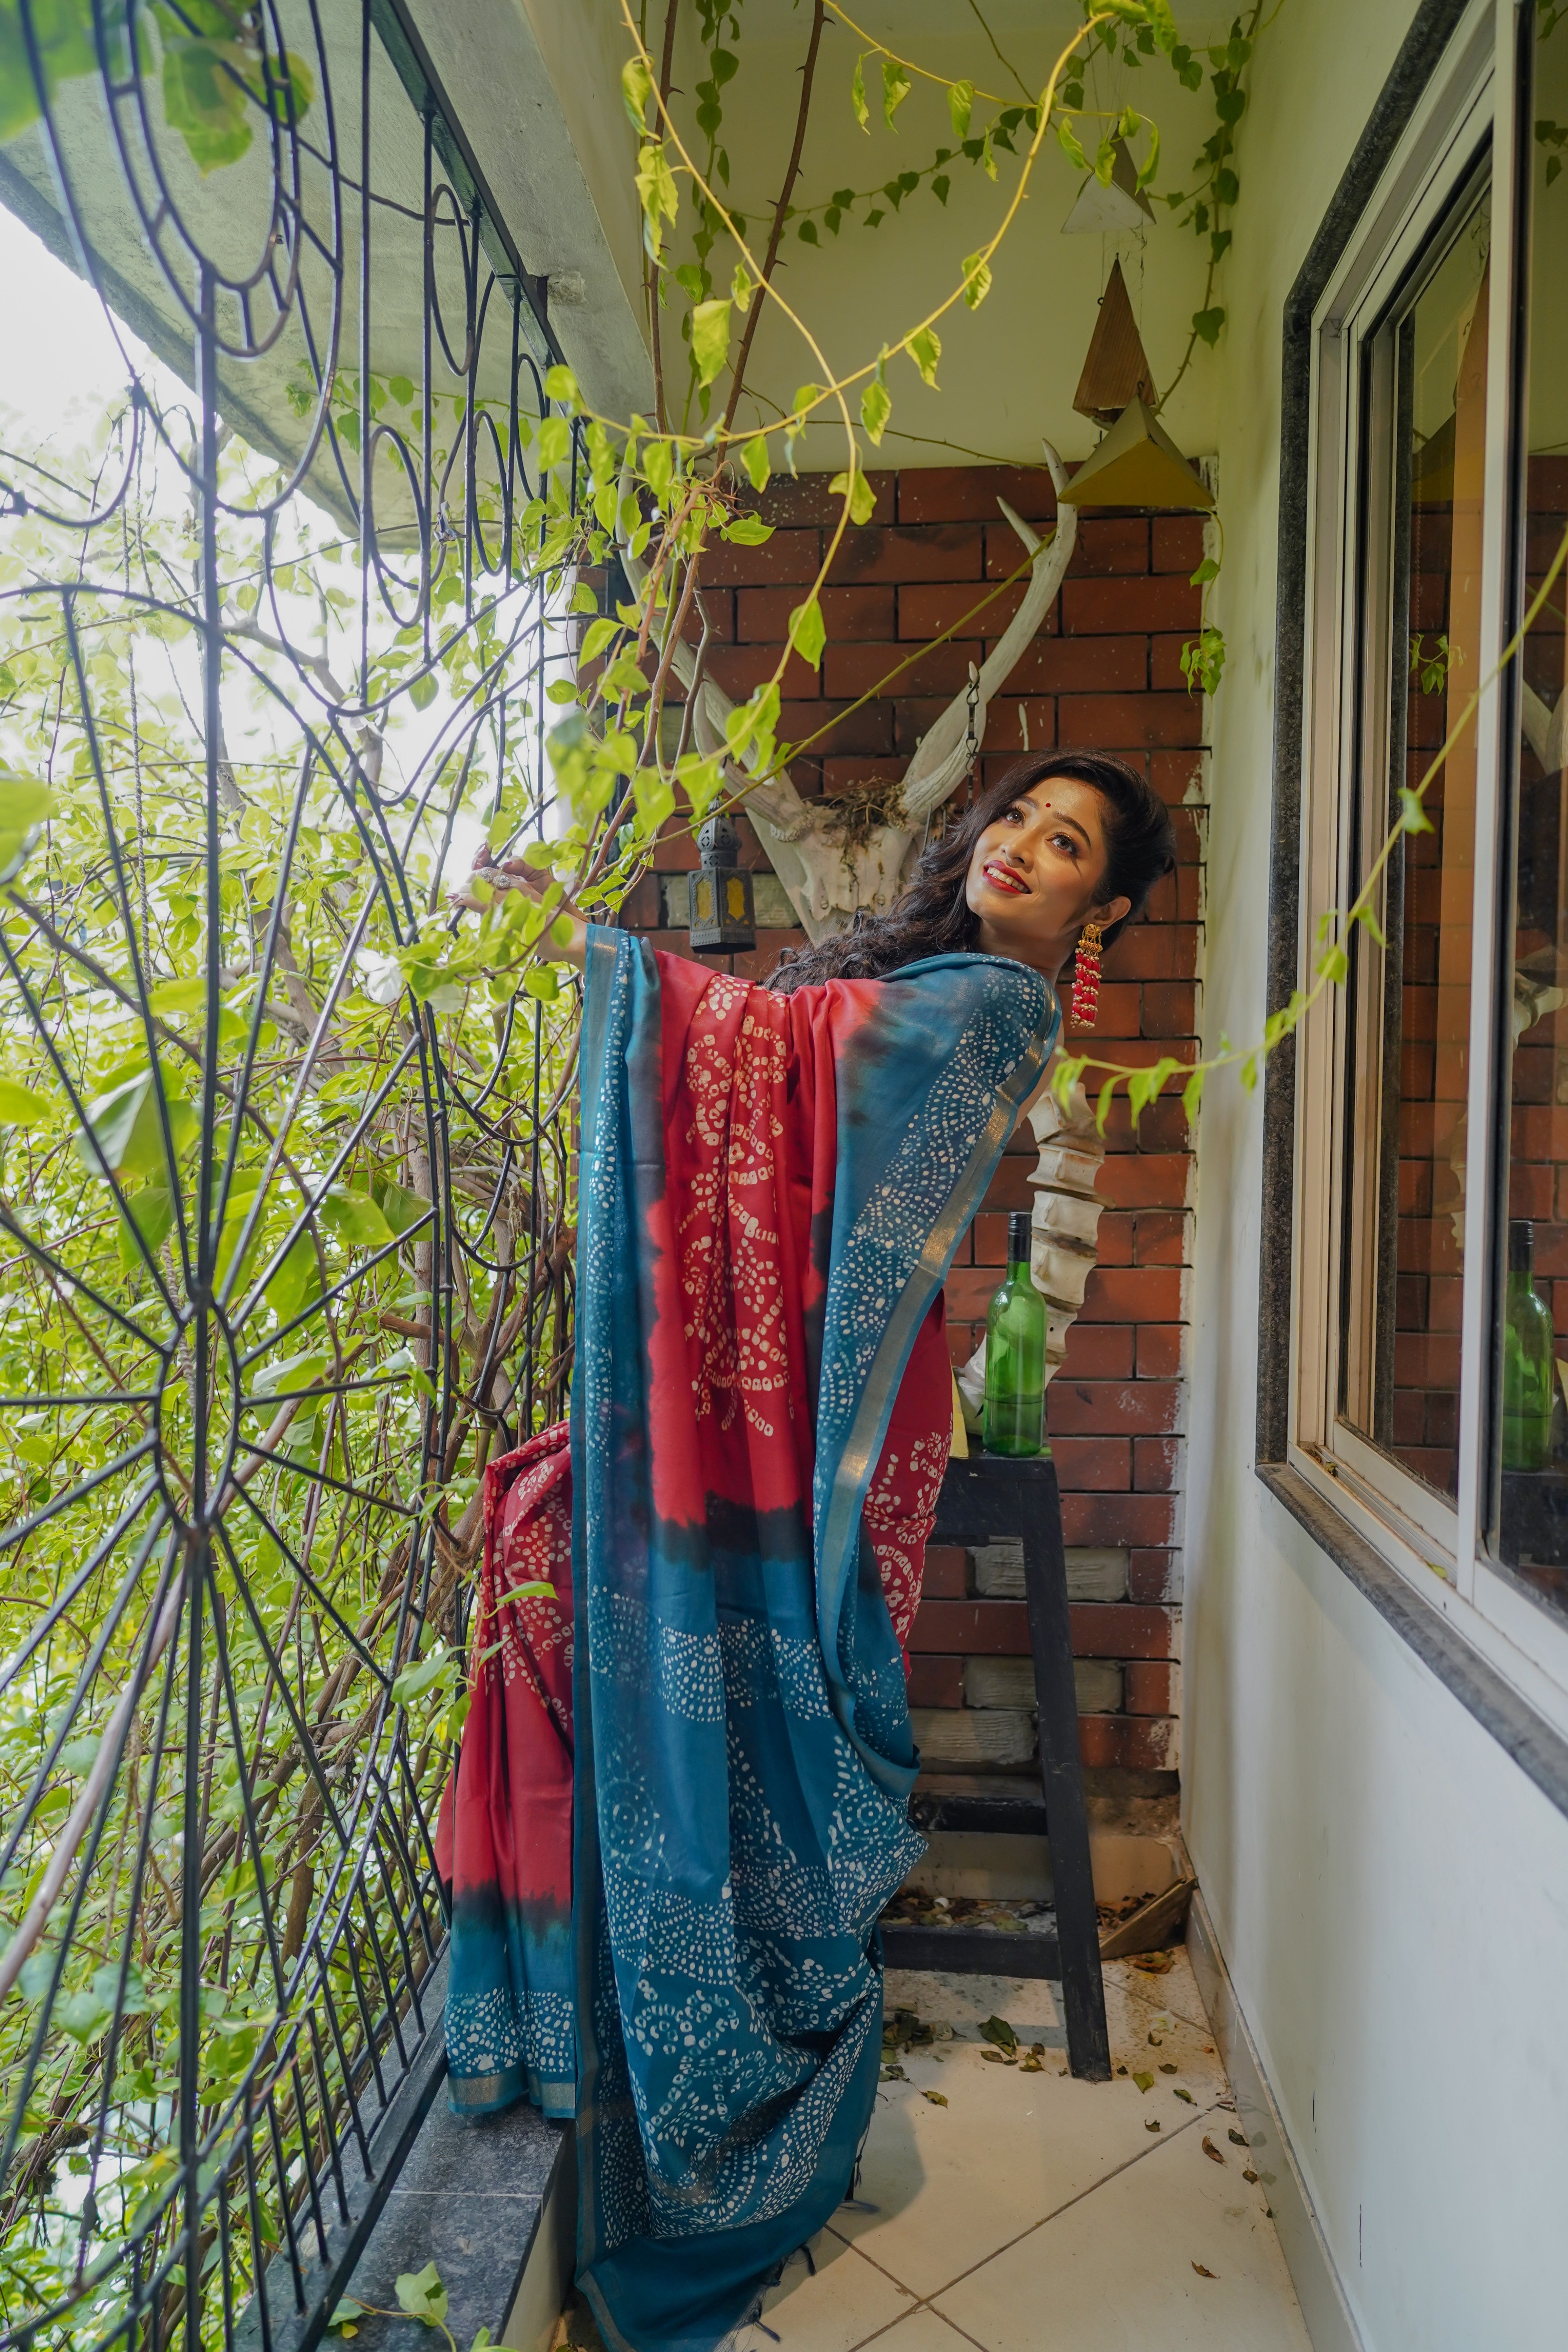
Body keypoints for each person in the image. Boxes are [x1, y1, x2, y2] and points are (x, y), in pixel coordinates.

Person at [437, 750, 1175, 2352]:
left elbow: (766, 1048)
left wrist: (593, 950)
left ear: (1099, 907)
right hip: (826, 1403)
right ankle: (675, 2032)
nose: (1018, 850)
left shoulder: (991, 1008)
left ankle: (747, 2082)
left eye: (1063, 847)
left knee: (778, 1707)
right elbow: (776, 1061)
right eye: (1015, 820)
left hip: (837, 1428)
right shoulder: (935, 973)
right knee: (576, 1569)